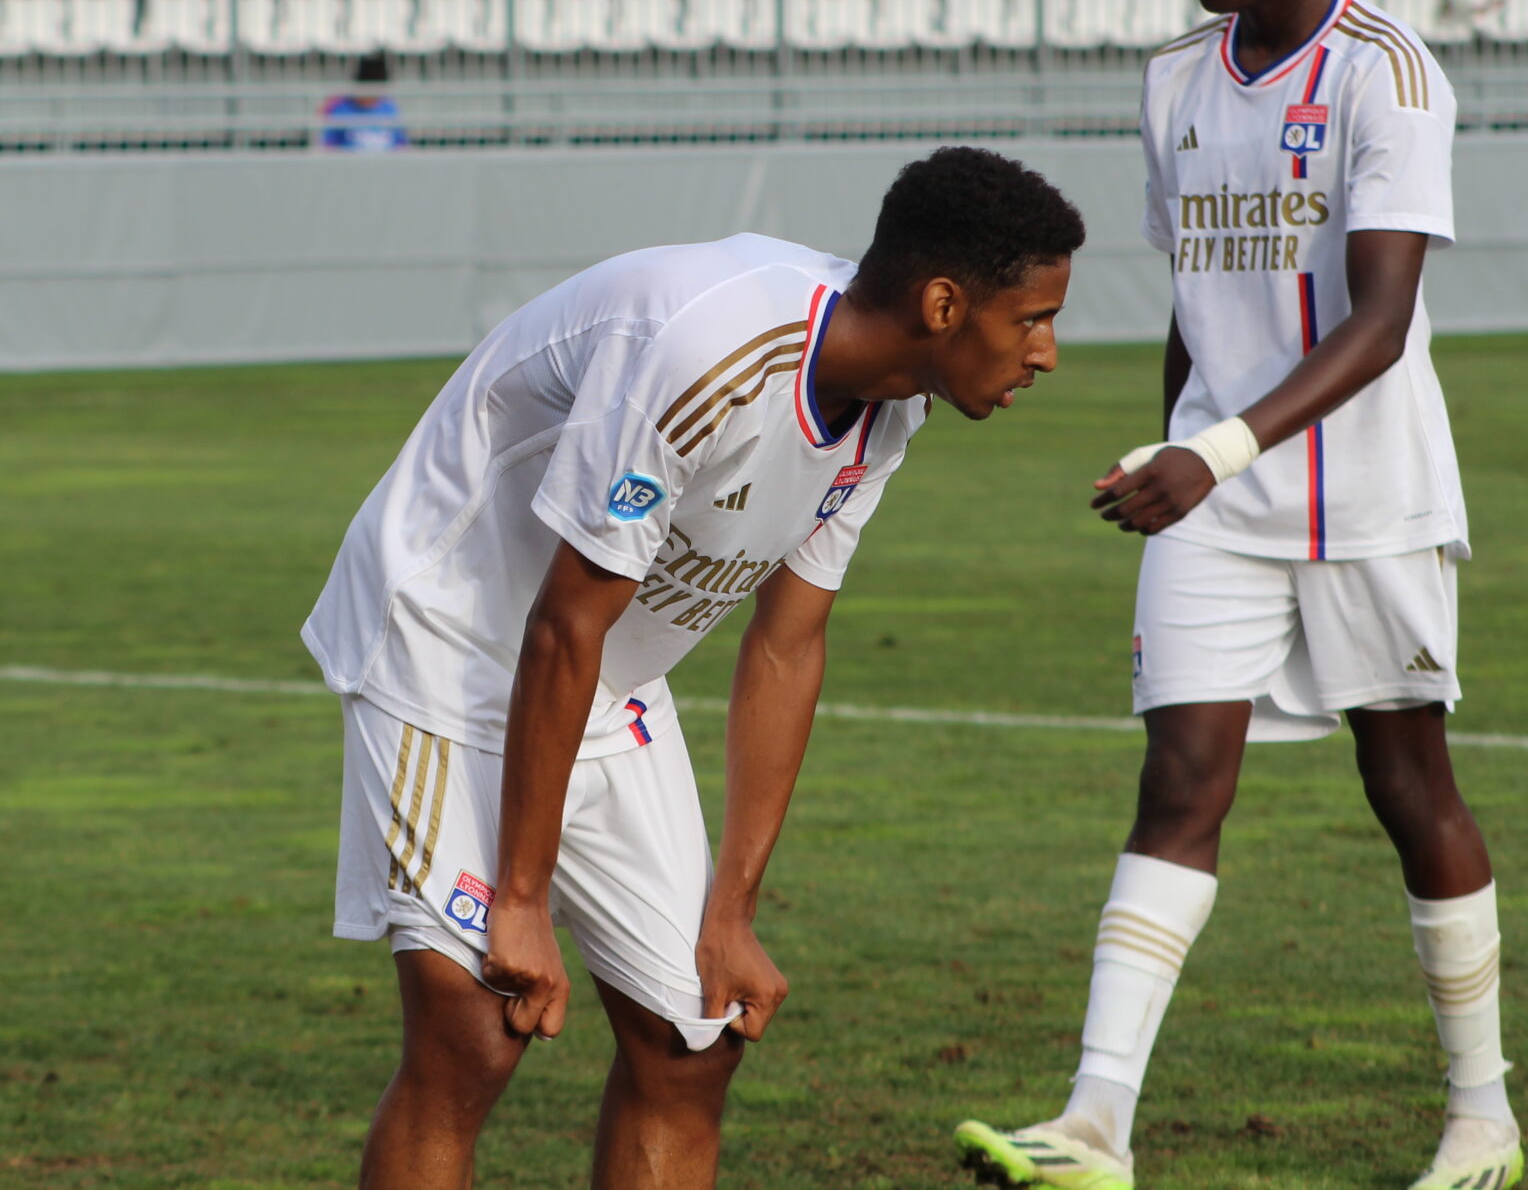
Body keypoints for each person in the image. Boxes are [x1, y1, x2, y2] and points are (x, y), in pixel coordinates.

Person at [309, 146, 1083, 1190]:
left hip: (601, 688)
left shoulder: (890, 411)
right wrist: (522, 898)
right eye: (1031, 319)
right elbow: (560, 627)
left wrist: (732, 912)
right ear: (945, 304)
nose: (1046, 353)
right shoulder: (706, 347)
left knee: (696, 1041)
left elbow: (786, 641)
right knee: (474, 1033)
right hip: (445, 654)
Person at [953, 0, 1521, 1190]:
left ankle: (1482, 1115)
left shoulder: (1391, 73)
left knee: (1409, 782)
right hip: (1217, 499)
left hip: (1372, 495)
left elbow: (1380, 320)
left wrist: (1208, 451)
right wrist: (1171, 450)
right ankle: (1095, 1122)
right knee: (1179, 781)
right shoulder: (1174, 80)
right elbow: (1195, 314)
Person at [319, 53, 406, 151]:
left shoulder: (389, 108)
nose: (372, 98)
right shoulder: (341, 109)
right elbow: (328, 145)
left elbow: (401, 145)